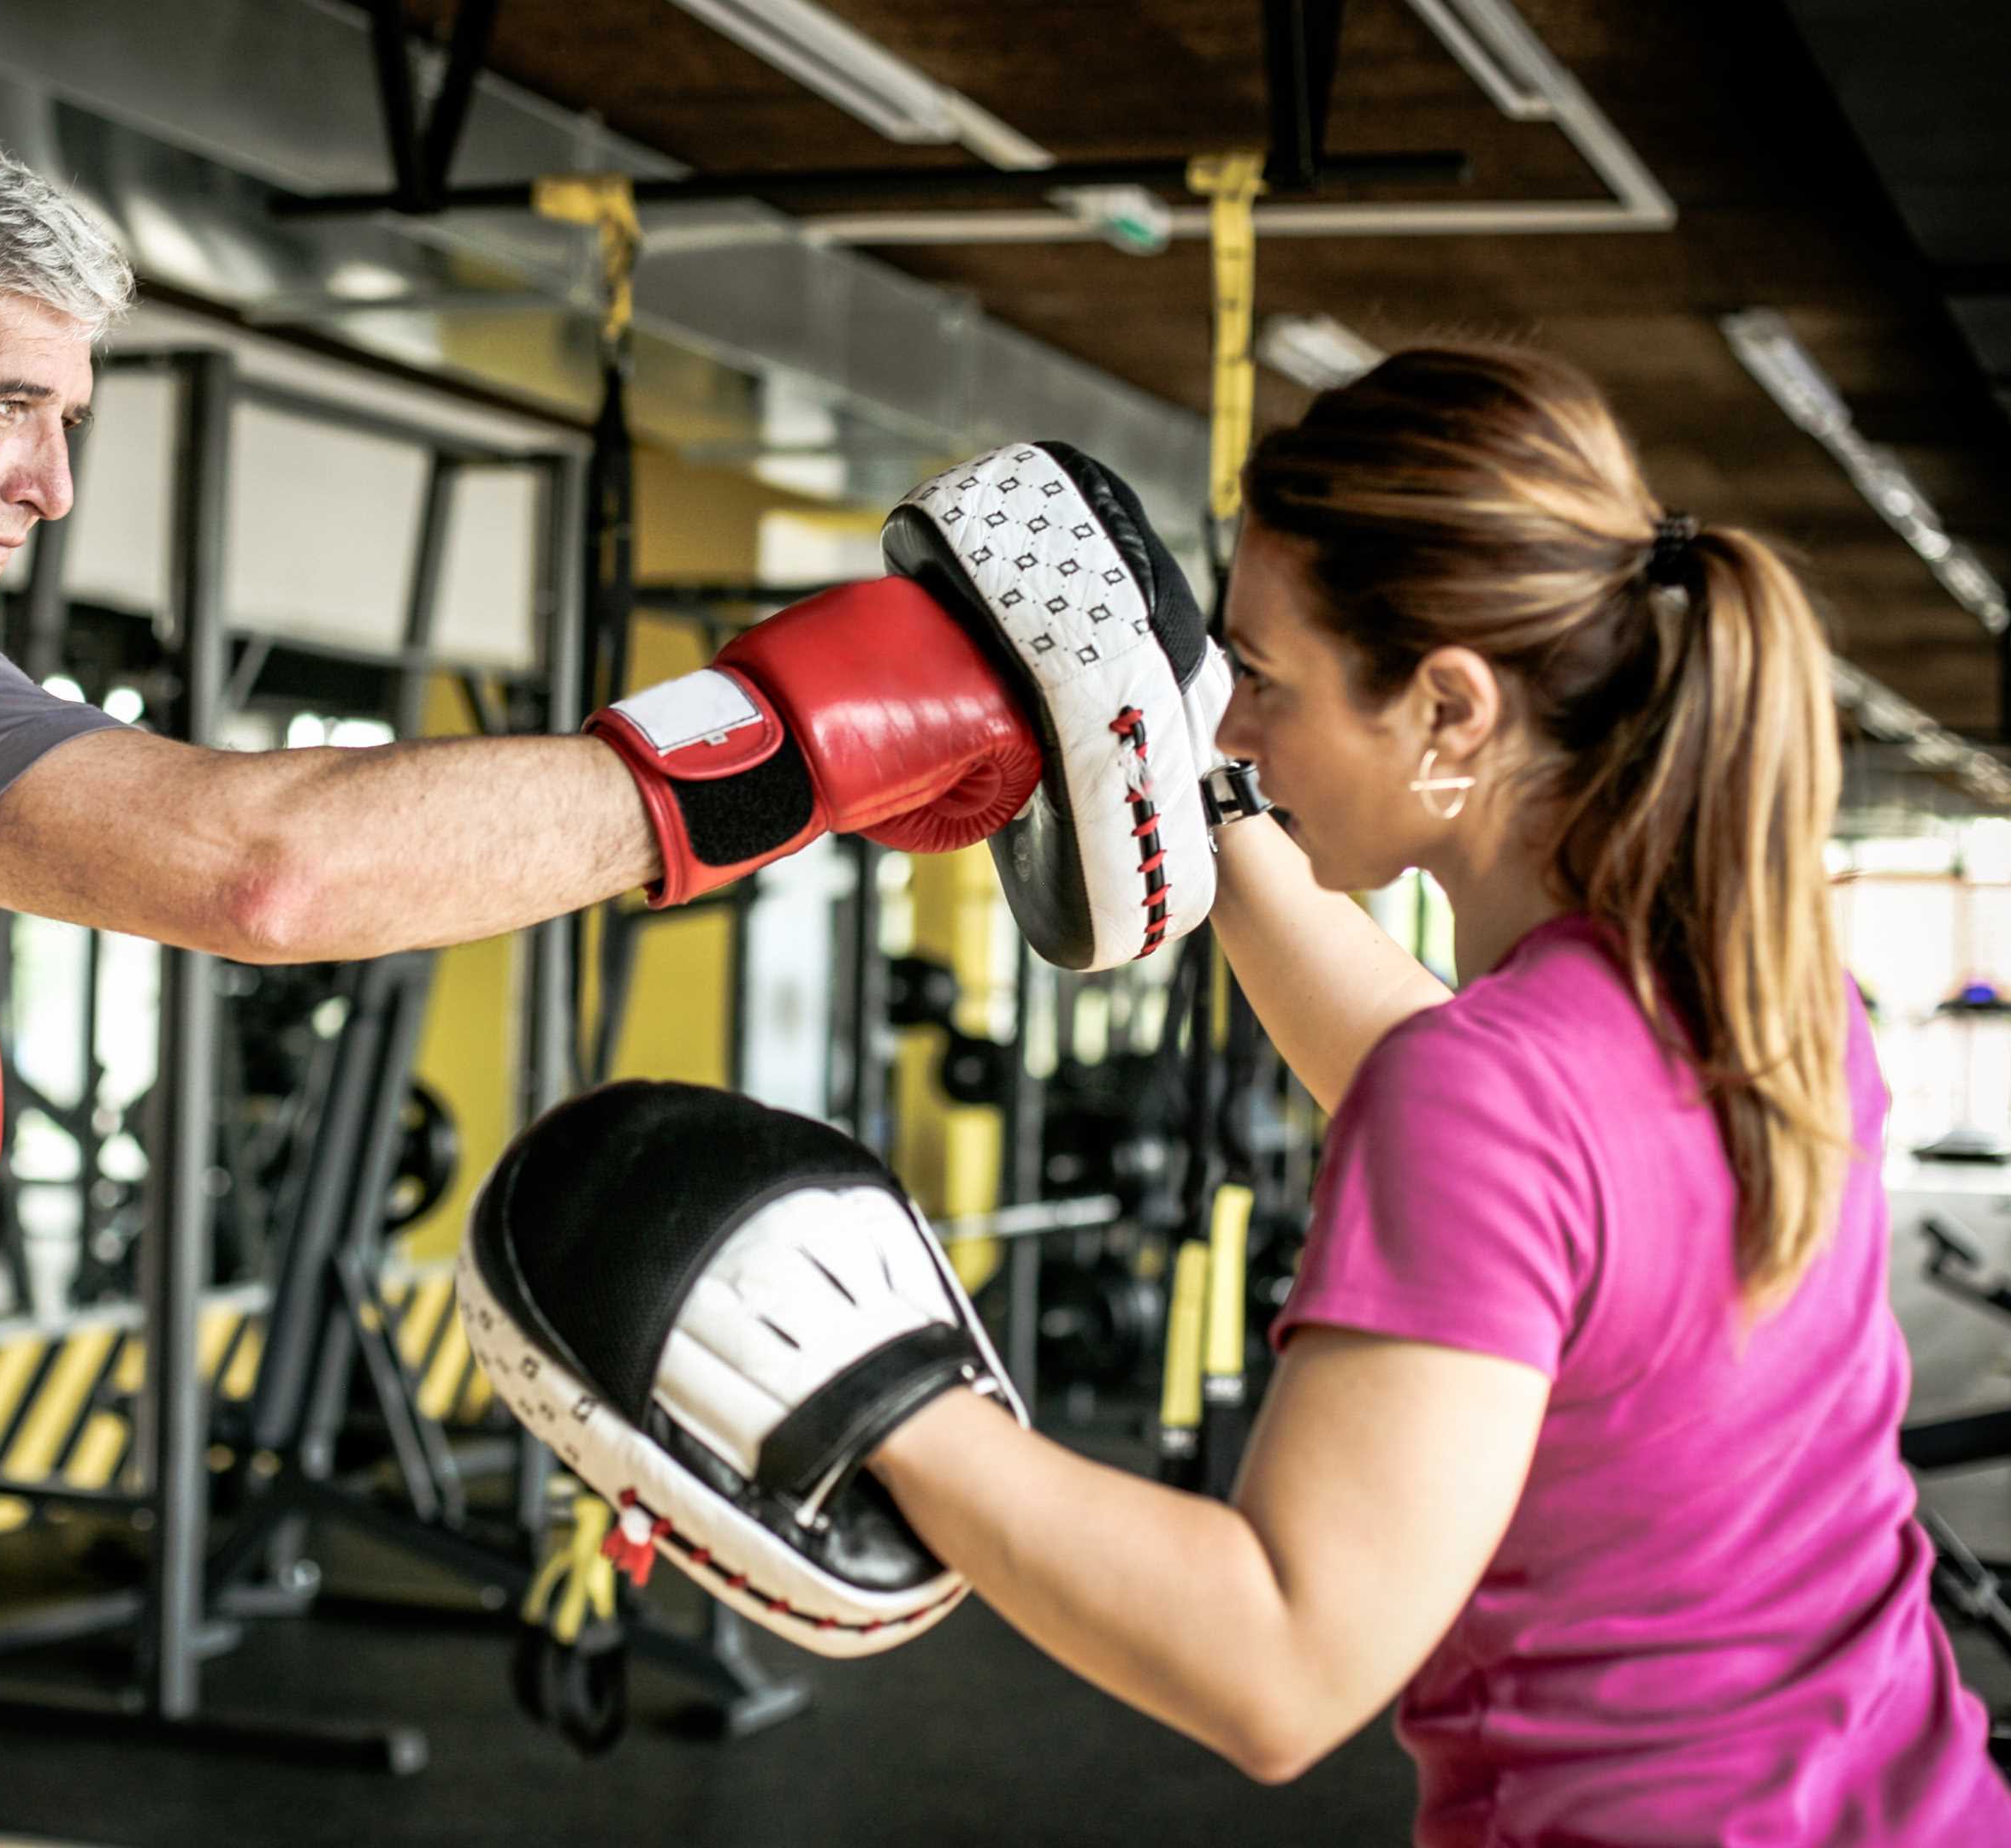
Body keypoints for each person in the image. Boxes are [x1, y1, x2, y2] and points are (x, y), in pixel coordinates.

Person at [0, 118, 1114, 1845]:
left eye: (66, 420)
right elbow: (265, 865)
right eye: (6, 406)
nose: (52, 484)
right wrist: (785, 746)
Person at [478, 345, 2011, 1843]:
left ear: (1450, 712)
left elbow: (1280, 1663)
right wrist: (1171, 778)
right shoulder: (1754, 989)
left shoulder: (1493, 1094)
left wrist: (880, 1399)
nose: (1234, 725)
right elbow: (1462, 1099)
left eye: (1261, 683)